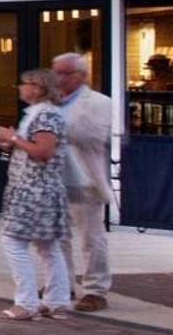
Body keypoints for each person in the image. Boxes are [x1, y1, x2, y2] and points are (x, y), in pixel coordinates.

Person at [0, 67, 73, 321]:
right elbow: (34, 150)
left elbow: (43, 152)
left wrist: (13, 137)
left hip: (34, 191)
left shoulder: (45, 116)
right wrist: (12, 145)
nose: (20, 87)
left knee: (13, 242)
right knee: (47, 245)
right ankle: (57, 301)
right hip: (39, 189)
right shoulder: (41, 115)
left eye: (24, 83)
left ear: (37, 88)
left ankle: (26, 302)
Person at [50, 53, 114, 313]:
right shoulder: (50, 102)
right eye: (56, 73)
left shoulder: (99, 102)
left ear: (82, 75)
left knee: (90, 237)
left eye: (66, 73)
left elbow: (92, 135)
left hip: (85, 178)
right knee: (56, 235)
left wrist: (49, 127)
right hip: (54, 178)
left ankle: (95, 290)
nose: (59, 78)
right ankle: (62, 283)